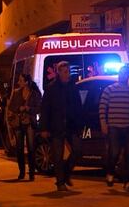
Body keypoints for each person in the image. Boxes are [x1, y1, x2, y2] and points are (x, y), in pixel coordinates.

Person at [41, 61, 83, 191]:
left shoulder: (73, 86)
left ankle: (66, 173)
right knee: (57, 155)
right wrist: (44, 128)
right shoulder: (51, 88)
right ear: (58, 72)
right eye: (65, 72)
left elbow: (78, 106)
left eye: (68, 71)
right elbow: (45, 109)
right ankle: (60, 182)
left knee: (77, 150)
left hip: (71, 124)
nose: (67, 74)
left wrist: (80, 123)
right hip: (56, 125)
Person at [8, 74, 42, 181]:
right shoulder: (16, 92)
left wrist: (28, 108)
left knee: (31, 147)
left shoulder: (35, 94)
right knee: (19, 148)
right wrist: (19, 108)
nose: (19, 82)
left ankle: (31, 172)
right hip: (18, 122)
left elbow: (39, 108)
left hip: (29, 122)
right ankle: (21, 172)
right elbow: (11, 107)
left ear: (27, 82)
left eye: (21, 80)